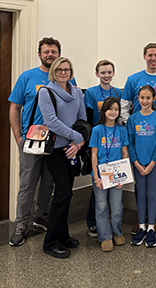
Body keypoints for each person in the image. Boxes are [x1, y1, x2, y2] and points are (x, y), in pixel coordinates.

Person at [8, 37, 76, 246]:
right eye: (46, 51)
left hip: (56, 143)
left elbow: (73, 108)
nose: (50, 55)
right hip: (30, 141)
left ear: (59, 54)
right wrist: (18, 136)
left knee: (48, 183)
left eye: (53, 52)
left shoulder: (67, 79)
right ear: (40, 54)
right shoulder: (27, 77)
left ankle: (41, 217)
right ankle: (21, 224)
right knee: (28, 184)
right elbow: (14, 108)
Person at [121, 43, 156, 236]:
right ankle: (141, 217)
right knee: (140, 175)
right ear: (144, 56)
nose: (153, 58)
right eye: (150, 55)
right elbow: (124, 105)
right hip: (138, 136)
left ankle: (155, 217)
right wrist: (132, 126)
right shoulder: (133, 79)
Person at [38, 57, 86, 258]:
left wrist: (77, 143)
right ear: (53, 72)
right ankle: (51, 242)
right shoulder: (45, 92)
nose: (64, 73)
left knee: (67, 192)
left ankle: (63, 235)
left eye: (67, 69)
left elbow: (82, 118)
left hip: (72, 150)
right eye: (60, 70)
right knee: (63, 192)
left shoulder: (76, 92)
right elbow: (51, 122)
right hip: (56, 150)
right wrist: (76, 137)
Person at [84, 59, 123, 238]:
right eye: (103, 72)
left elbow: (121, 115)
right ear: (97, 73)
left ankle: (112, 229)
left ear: (113, 73)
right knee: (98, 188)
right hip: (98, 140)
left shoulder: (119, 92)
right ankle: (94, 224)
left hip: (114, 142)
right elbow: (87, 117)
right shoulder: (91, 93)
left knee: (114, 197)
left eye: (109, 72)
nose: (106, 75)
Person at [127, 85, 156, 247]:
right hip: (138, 163)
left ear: (153, 99)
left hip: (154, 164)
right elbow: (131, 144)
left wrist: (151, 165)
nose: (145, 101)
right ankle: (141, 225)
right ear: (138, 98)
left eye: (148, 98)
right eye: (142, 98)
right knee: (140, 193)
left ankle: (151, 227)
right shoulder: (132, 119)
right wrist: (136, 162)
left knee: (151, 193)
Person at [89, 97, 129, 252]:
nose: (113, 112)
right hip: (100, 174)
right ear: (104, 111)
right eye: (110, 109)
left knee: (117, 206)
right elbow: (94, 155)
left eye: (116, 109)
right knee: (101, 206)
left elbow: (124, 152)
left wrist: (124, 176)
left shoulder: (122, 130)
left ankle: (117, 232)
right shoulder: (97, 130)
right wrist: (96, 177)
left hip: (117, 173)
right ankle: (105, 236)